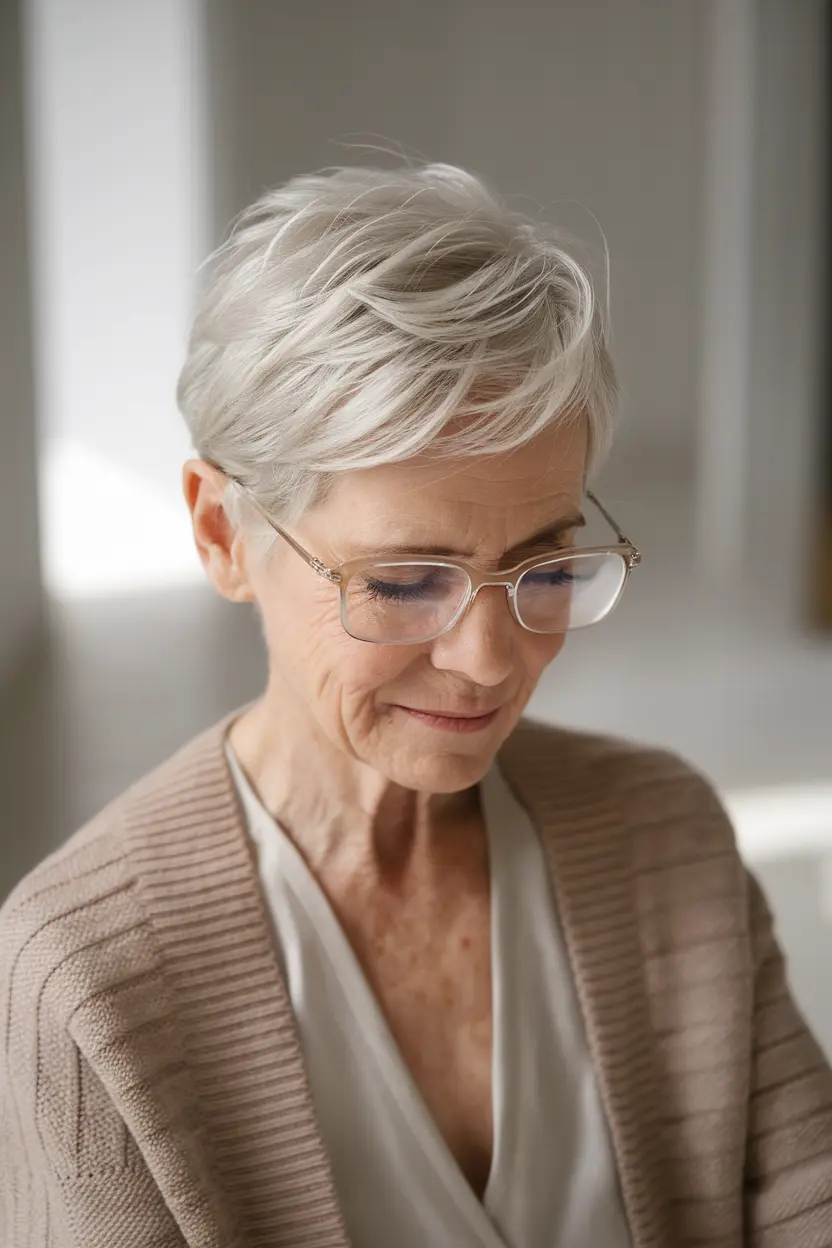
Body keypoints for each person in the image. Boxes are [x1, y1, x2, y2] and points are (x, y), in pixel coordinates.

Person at [2, 163, 831, 1248]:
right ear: (219, 534)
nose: (490, 661)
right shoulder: (88, 981)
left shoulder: (664, 842)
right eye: (401, 583)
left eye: (543, 568)